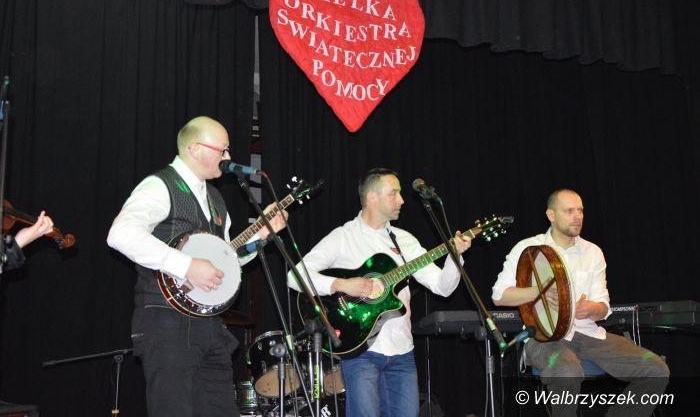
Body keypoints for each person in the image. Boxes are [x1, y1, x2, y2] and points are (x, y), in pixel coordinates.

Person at [107, 116, 287, 417]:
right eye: (222, 149)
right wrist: (187, 265)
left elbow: (228, 258)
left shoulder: (215, 199)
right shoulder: (160, 185)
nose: (228, 157)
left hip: (210, 325)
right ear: (194, 148)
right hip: (166, 321)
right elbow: (120, 234)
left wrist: (261, 237)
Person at [287, 168, 472, 417]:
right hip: (361, 350)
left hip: (402, 351)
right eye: (394, 193)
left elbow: (443, 287)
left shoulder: (405, 240)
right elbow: (294, 276)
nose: (402, 200)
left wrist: (455, 256)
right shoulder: (343, 237)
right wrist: (341, 284)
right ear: (372, 197)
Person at [492, 189, 669, 417]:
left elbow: (603, 307)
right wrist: (538, 292)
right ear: (551, 215)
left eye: (581, 211)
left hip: (590, 335)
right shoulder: (528, 249)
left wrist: (592, 309)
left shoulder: (593, 252)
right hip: (545, 338)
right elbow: (499, 295)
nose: (578, 216)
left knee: (656, 369)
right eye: (569, 211)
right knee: (567, 371)